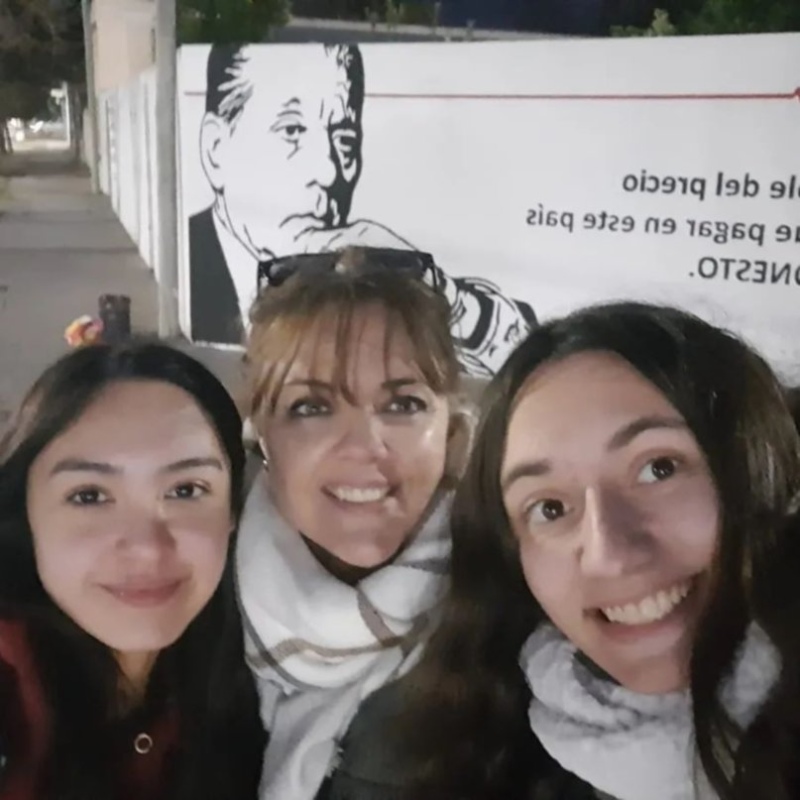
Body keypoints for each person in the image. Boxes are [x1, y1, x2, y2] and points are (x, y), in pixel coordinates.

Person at [397, 302, 800, 800]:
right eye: (548, 507)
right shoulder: (479, 755)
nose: (607, 553)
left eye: (659, 469)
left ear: (765, 472)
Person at [235, 247, 473, 800]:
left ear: (450, 425)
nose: (367, 447)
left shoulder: (517, 617)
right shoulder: (183, 601)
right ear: (261, 433)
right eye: (312, 408)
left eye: (404, 404)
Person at [0, 341, 265, 799]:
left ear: (233, 510)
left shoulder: (266, 660)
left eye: (185, 490)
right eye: (89, 496)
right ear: (26, 514)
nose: (146, 549)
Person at [189, 42, 536, 375]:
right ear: (216, 149)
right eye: (292, 130)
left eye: (344, 140)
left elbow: (524, 364)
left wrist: (435, 285)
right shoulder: (180, 276)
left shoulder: (365, 277)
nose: (328, 172)